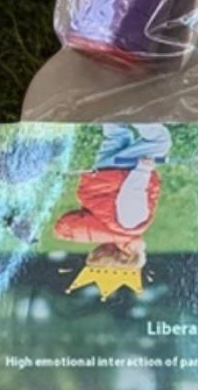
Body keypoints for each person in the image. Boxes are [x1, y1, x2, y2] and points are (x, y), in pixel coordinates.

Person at [52, 122, 172, 300]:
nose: (145, 248)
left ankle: (136, 111)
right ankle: (111, 110)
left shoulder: (131, 226)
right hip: (103, 173)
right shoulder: (106, 230)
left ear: (128, 250)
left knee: (160, 141)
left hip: (122, 171)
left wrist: (143, 169)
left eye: (143, 252)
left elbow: (132, 192)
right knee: (117, 134)